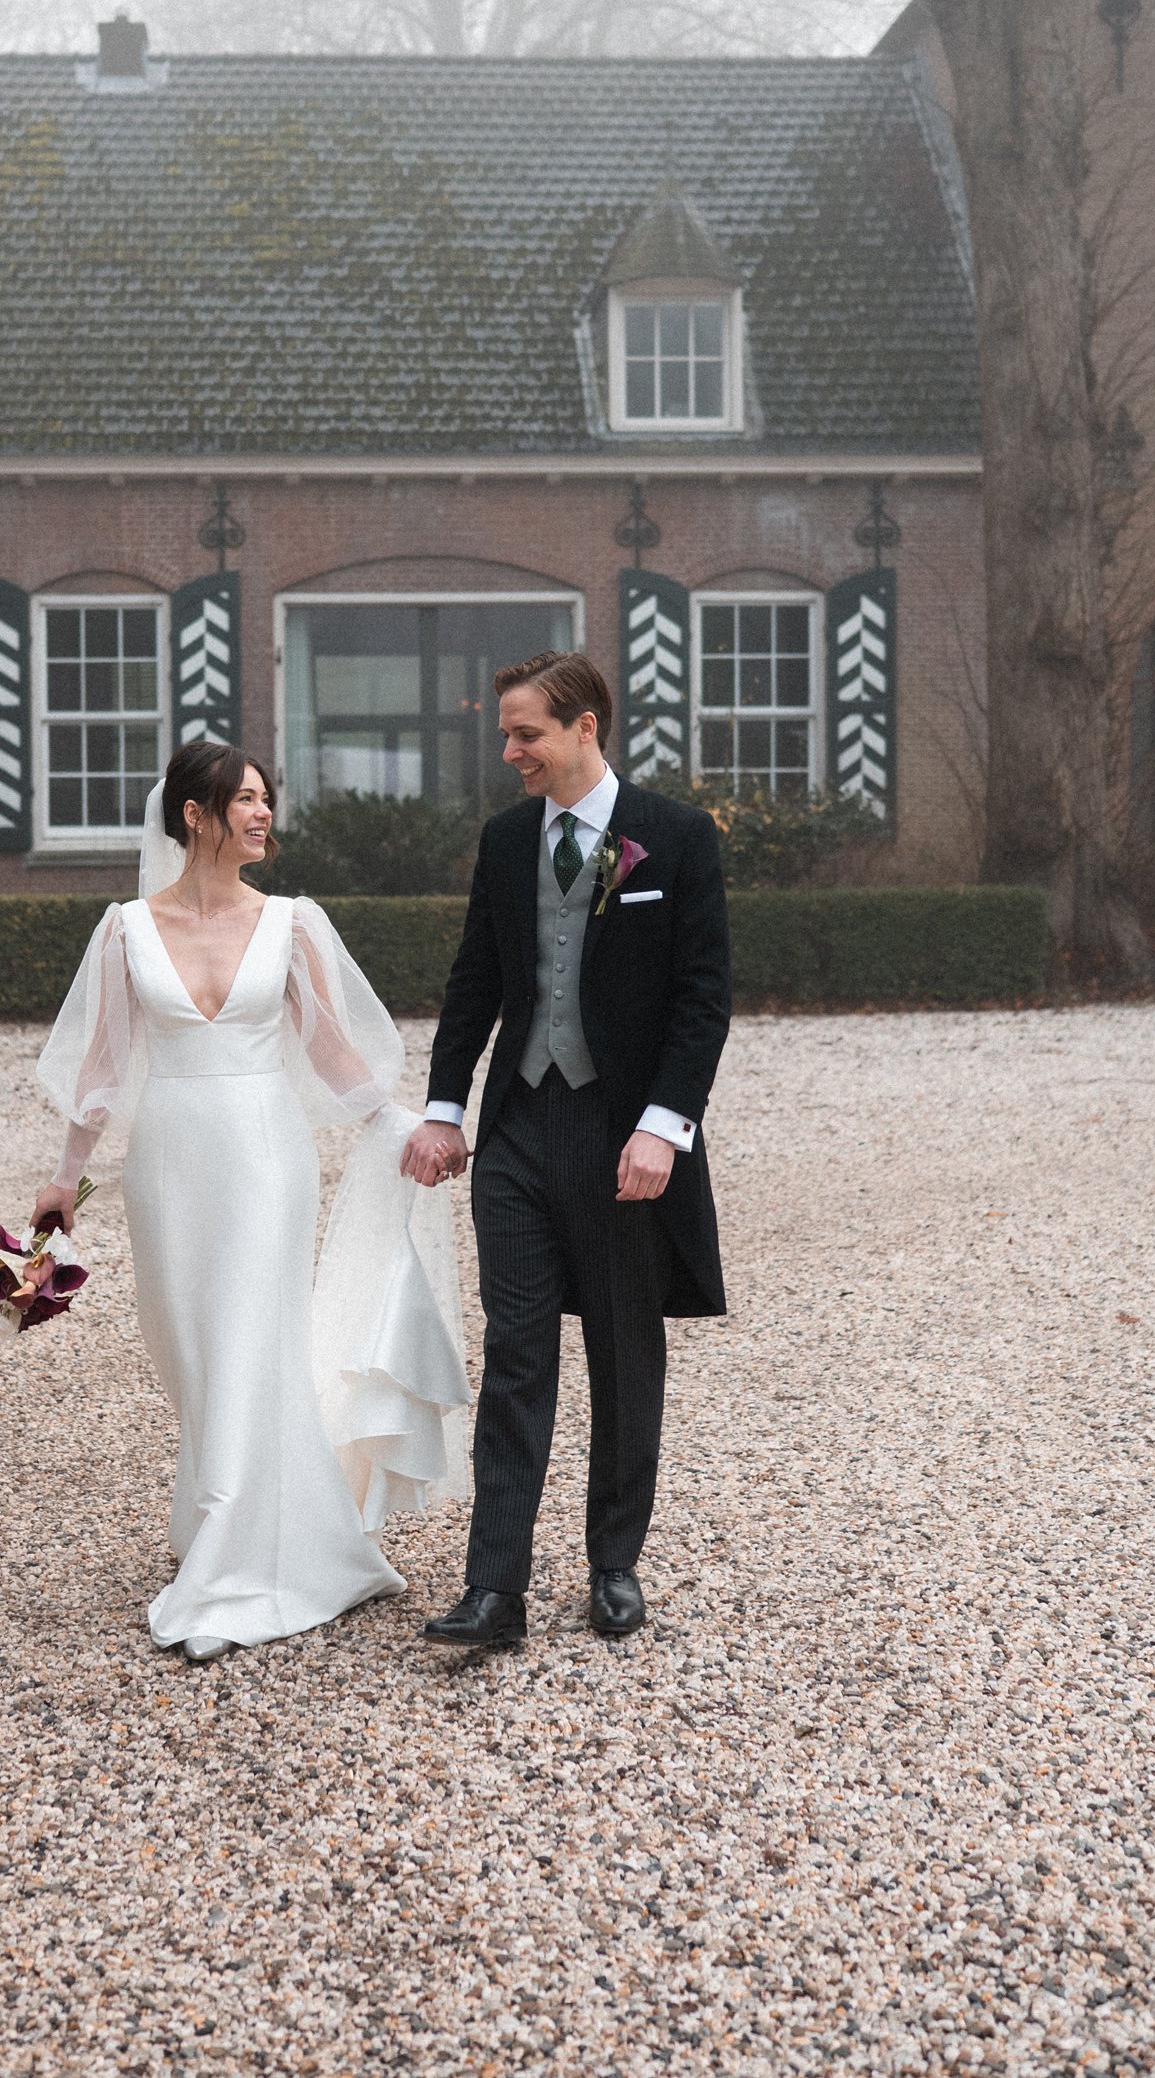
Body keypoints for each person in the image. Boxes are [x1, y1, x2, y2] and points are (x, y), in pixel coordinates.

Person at [34, 740, 468, 1664]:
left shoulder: (292, 923)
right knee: (190, 1348)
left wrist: (403, 1128)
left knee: (248, 1339)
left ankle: (231, 1569)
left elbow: (332, 1054)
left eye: (268, 799)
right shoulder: (124, 929)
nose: (265, 814)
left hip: (266, 1158)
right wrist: (64, 1176)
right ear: (194, 815)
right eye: (246, 800)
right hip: (168, 1161)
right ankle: (233, 1520)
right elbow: (103, 1067)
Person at [399, 651, 731, 1650]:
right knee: (515, 1353)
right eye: (506, 734)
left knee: (623, 1350)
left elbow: (700, 999)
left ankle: (613, 1564)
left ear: (585, 727)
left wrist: (661, 1129)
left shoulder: (672, 838)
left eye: (524, 734)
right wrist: (444, 1107)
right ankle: (493, 1589)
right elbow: (474, 983)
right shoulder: (505, 842)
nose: (508, 752)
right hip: (514, 1131)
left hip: (618, 1132)